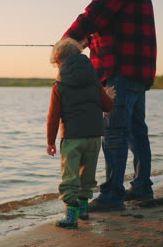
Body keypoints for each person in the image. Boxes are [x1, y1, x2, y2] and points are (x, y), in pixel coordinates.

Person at [62, 0, 157, 211]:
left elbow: (93, 16)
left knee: (114, 132)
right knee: (136, 131)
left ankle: (112, 196)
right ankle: (142, 189)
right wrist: (89, 41)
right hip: (137, 70)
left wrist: (66, 42)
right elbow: (114, 25)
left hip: (118, 70)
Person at [46, 38, 115, 229]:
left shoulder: (58, 86)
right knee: (88, 175)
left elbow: (53, 117)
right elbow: (107, 107)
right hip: (94, 137)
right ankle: (84, 210)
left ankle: (70, 217)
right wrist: (109, 96)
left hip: (72, 139)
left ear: (59, 63)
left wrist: (50, 142)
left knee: (70, 178)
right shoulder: (94, 81)